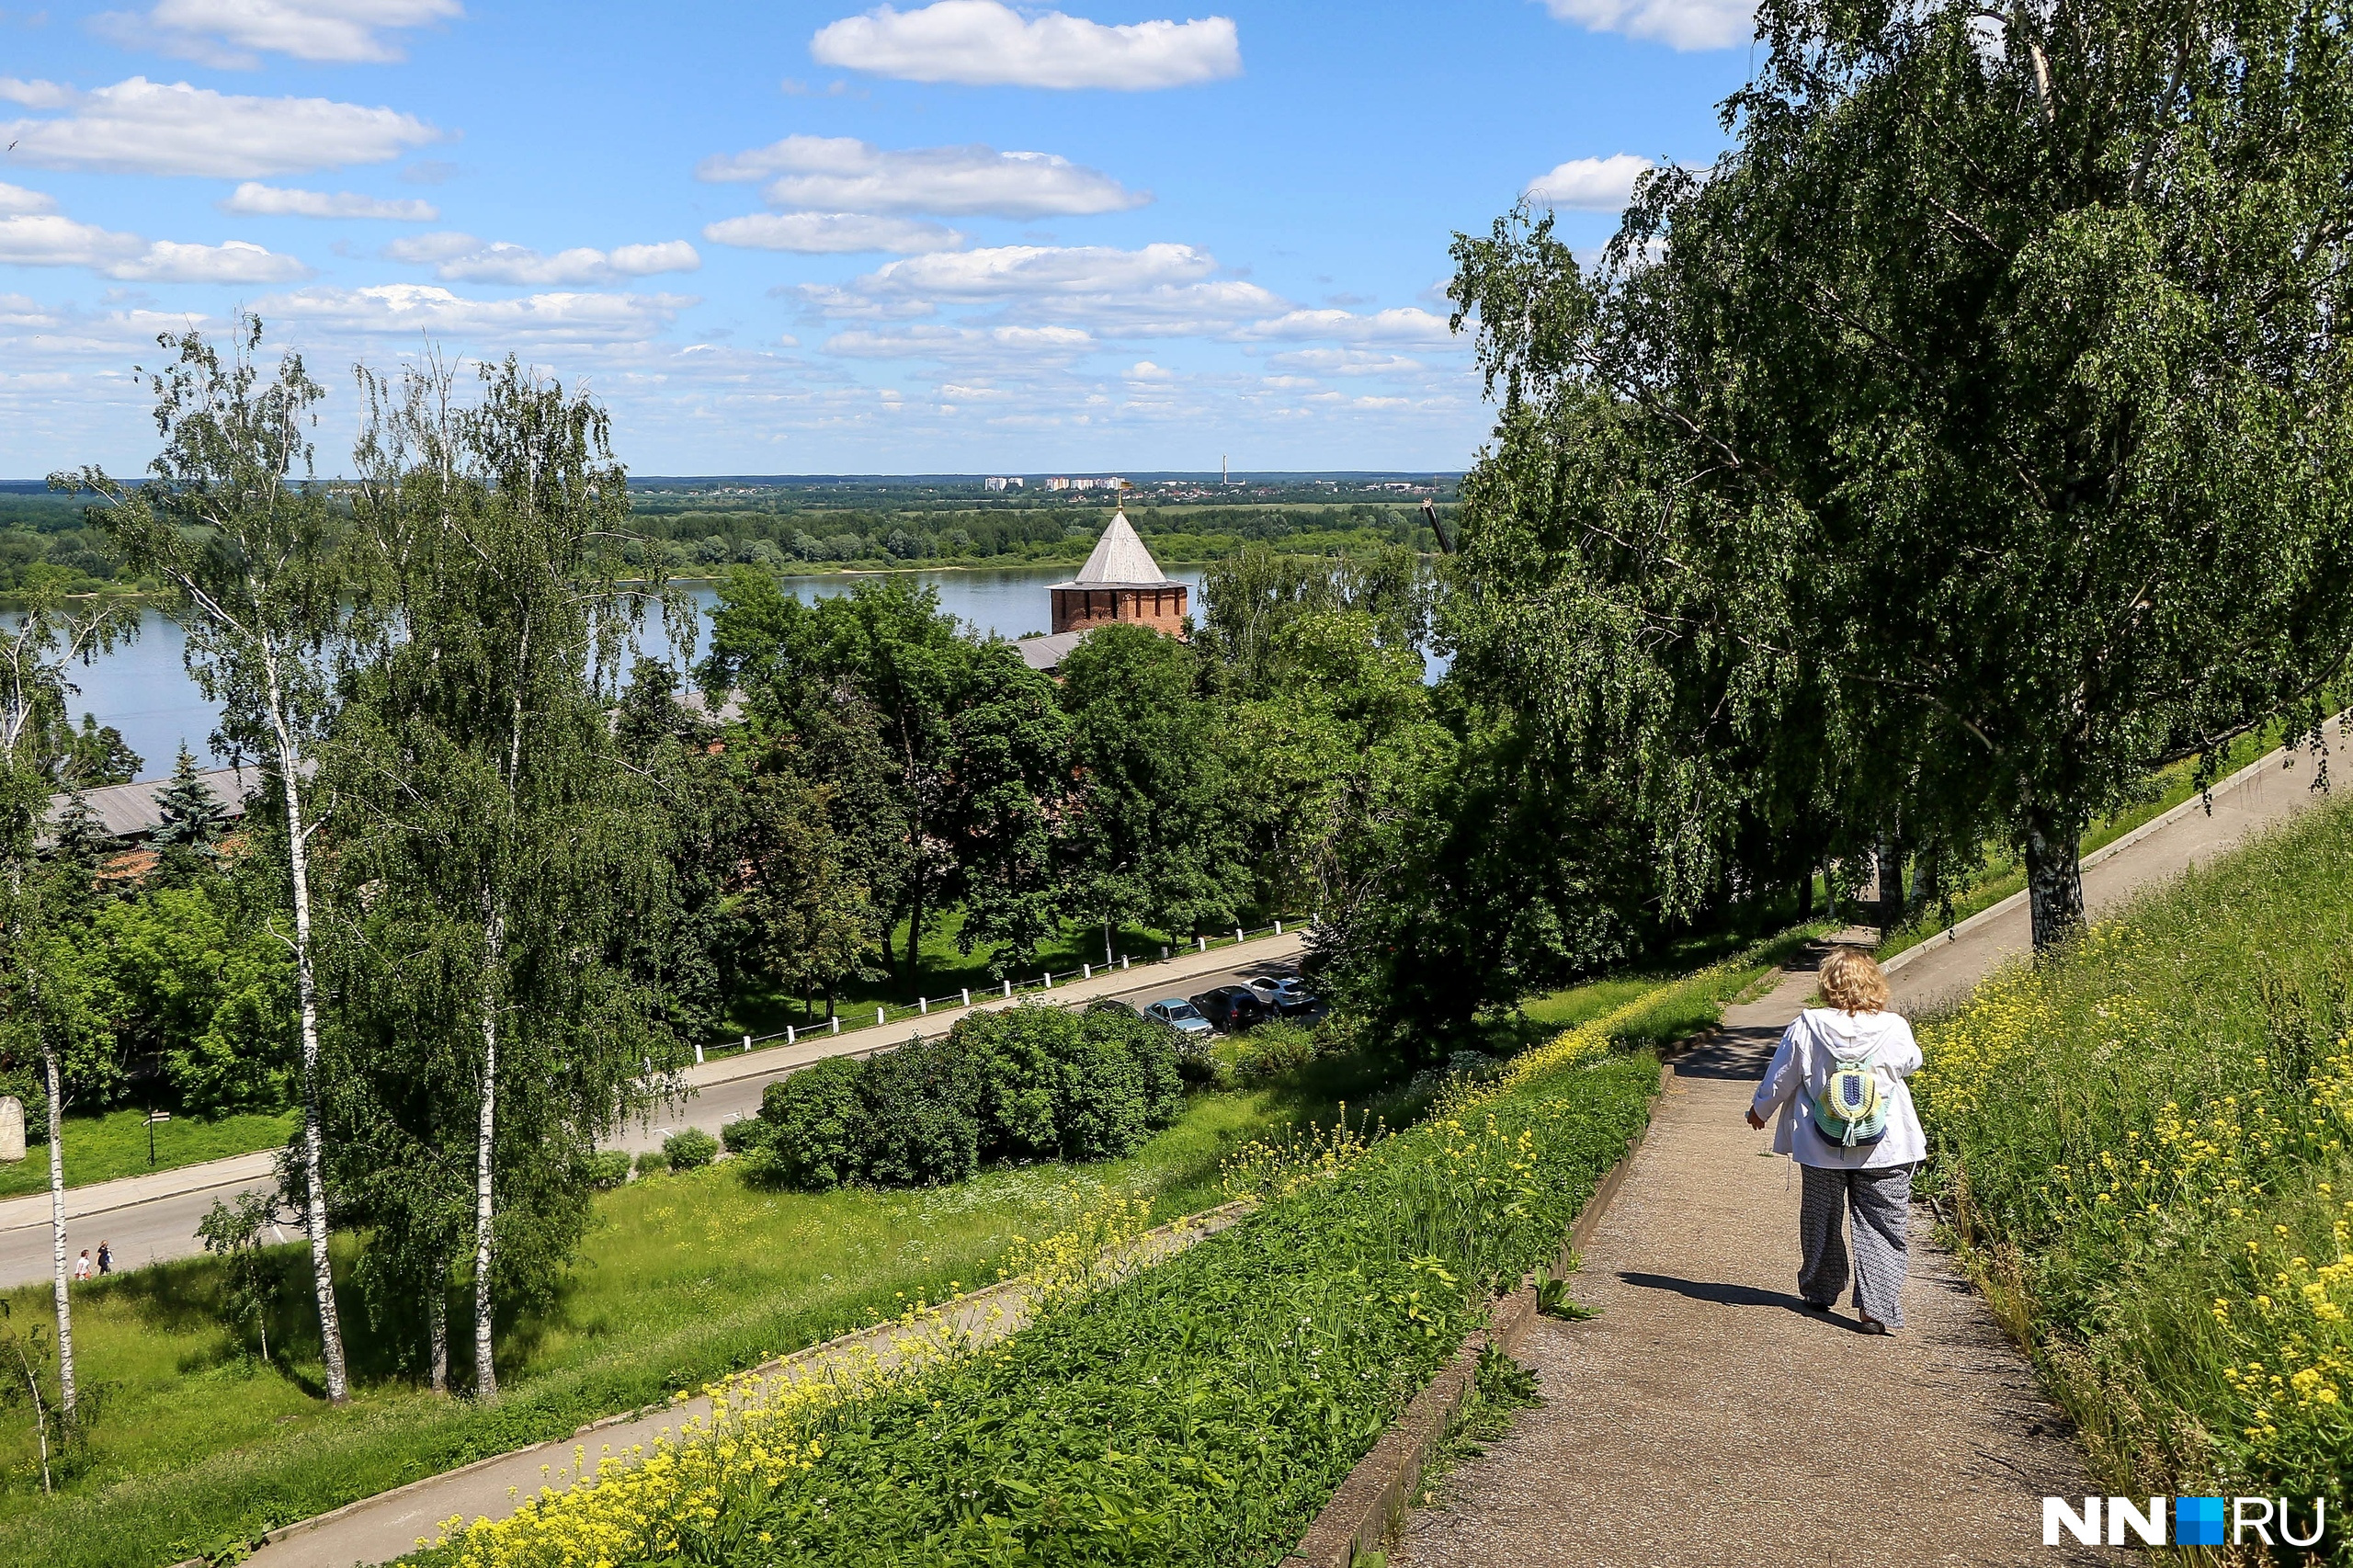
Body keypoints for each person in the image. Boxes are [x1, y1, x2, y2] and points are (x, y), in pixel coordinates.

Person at [1745, 946, 1924, 1334]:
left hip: (1821, 1142)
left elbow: (1782, 1075)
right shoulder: (1894, 1027)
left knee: (1821, 1217)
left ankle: (1820, 1290)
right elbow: (1911, 1063)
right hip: (1885, 1144)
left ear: (1827, 985)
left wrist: (1760, 1110)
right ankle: (1877, 1308)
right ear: (1874, 983)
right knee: (1883, 1223)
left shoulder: (1807, 1025)